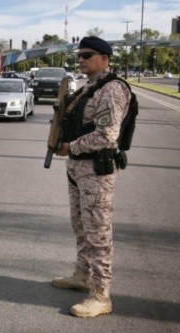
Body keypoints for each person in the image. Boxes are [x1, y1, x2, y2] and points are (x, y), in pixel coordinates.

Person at [52, 36, 133, 318]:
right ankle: (82, 275)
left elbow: (106, 135)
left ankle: (101, 295)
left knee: (98, 232)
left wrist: (70, 147)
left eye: (87, 55)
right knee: (81, 226)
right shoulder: (89, 87)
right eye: (80, 55)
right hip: (78, 169)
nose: (81, 60)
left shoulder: (111, 89)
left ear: (104, 59)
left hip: (96, 171)